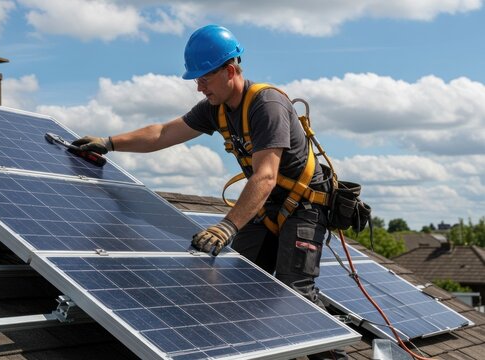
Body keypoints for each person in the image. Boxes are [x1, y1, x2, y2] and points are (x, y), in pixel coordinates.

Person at [73, 24, 345, 359]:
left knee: (295, 293)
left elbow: (266, 175)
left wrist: (226, 226)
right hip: (264, 208)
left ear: (230, 71)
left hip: (303, 206)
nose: (199, 87)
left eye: (204, 78)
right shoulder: (215, 108)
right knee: (241, 284)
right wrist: (110, 142)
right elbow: (162, 133)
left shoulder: (267, 105)